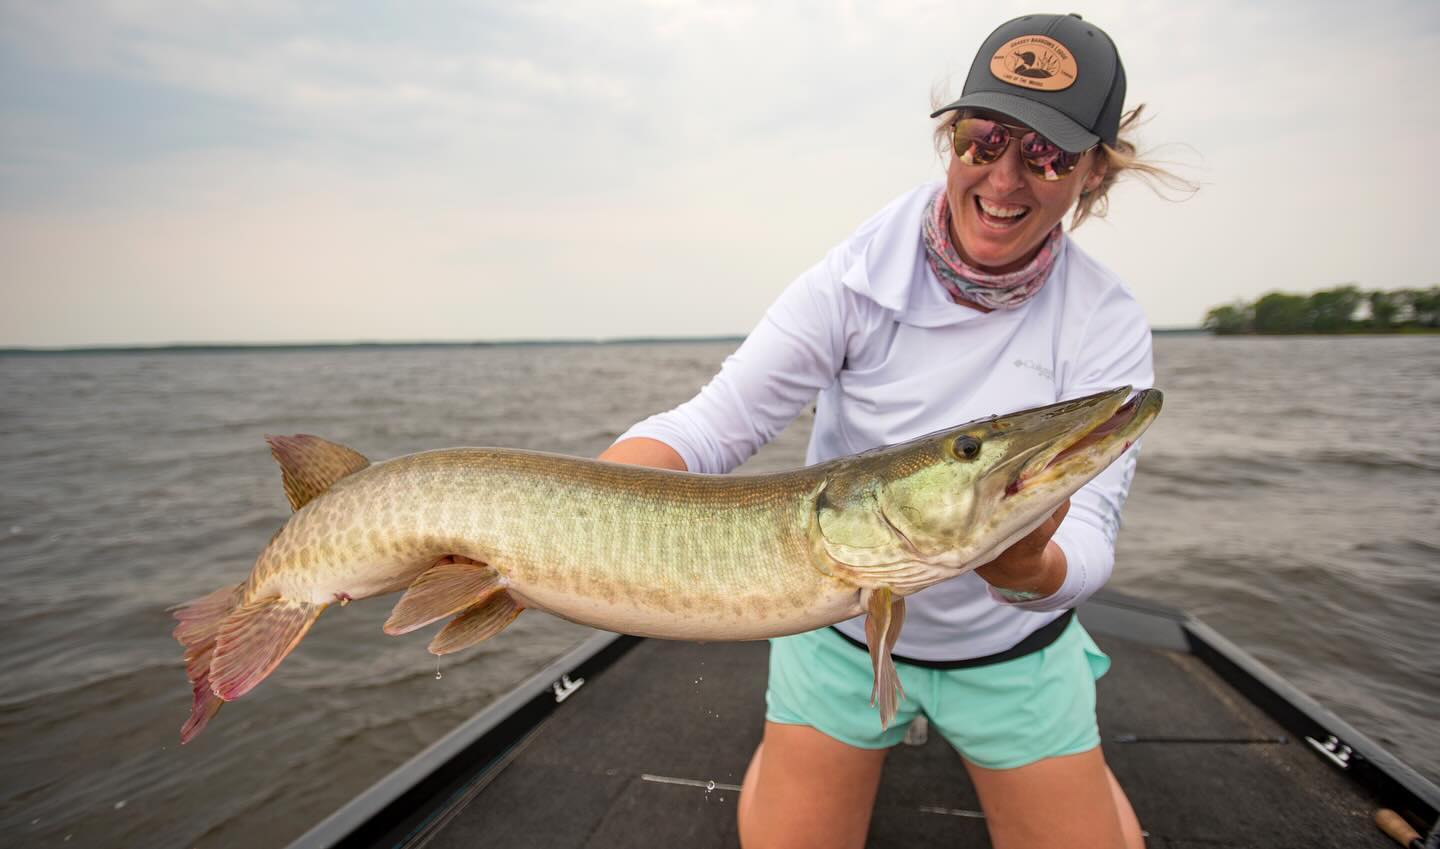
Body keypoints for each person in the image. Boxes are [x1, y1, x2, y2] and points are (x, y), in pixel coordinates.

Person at [601, 13, 1177, 849]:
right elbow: (712, 425)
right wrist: (576, 505)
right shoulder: (856, 277)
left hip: (1012, 650)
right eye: (984, 139)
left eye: (1047, 154)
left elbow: (1089, 539)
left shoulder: (1106, 323)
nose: (1005, 180)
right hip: (835, 633)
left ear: (1094, 173)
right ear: (953, 139)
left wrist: (1029, 571)